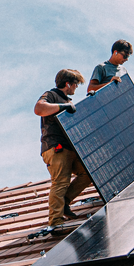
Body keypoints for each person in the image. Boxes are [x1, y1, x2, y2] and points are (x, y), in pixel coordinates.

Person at [34, 69, 93, 226]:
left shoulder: (67, 101)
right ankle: (56, 221)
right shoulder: (51, 95)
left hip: (70, 148)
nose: (76, 88)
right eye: (75, 85)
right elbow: (39, 109)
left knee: (88, 173)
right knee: (60, 182)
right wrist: (63, 106)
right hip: (55, 147)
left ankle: (64, 203)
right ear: (68, 84)